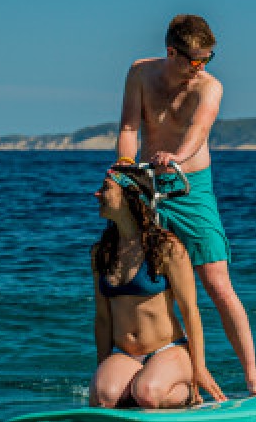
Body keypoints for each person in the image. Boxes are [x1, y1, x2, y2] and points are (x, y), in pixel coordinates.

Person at [116, 14, 256, 396]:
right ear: (172, 52)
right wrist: (124, 169)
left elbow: (198, 131)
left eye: (208, 59)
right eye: (195, 60)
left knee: (217, 284)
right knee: (149, 285)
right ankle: (173, 374)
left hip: (191, 189)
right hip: (146, 183)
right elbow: (128, 129)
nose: (201, 68)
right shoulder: (140, 73)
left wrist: (176, 157)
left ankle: (252, 377)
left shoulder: (210, 87)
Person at [90, 165, 226, 408]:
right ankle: (132, 387)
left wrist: (200, 370)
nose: (97, 194)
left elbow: (190, 311)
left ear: (129, 195)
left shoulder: (168, 248)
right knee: (102, 397)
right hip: (125, 353)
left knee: (147, 394)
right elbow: (103, 318)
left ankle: (184, 389)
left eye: (105, 188)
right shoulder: (101, 252)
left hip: (167, 349)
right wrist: (103, 367)